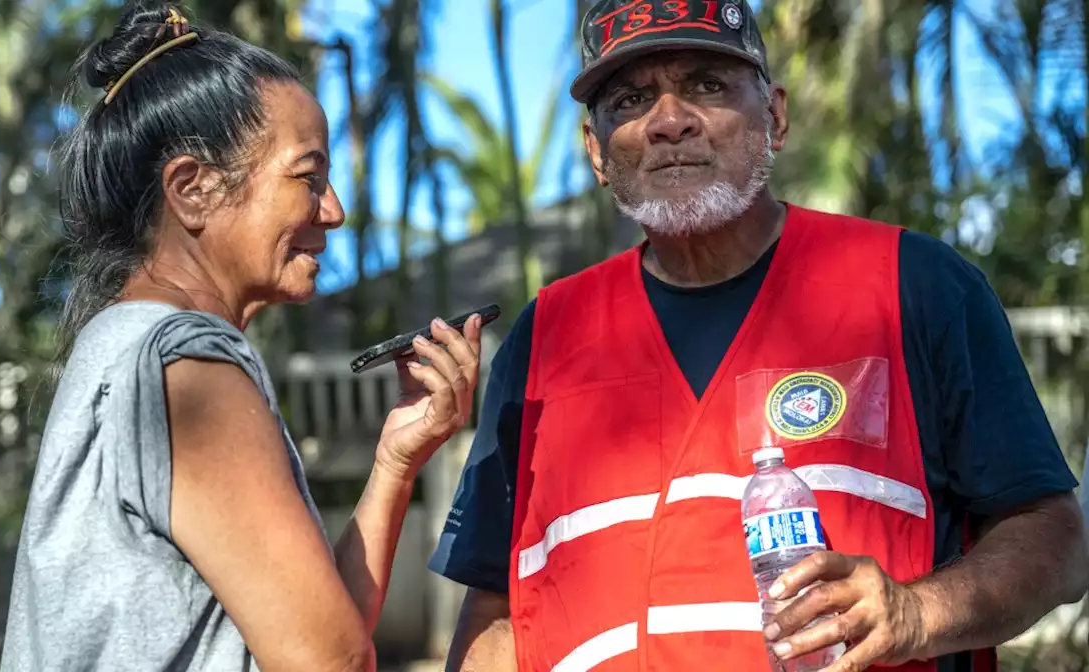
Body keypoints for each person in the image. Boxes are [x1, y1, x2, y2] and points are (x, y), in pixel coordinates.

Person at [429, 0, 1089, 670]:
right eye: (631, 99)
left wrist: (918, 613)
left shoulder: (914, 286)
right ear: (597, 151)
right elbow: (499, 611)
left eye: (707, 86)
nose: (669, 121)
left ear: (773, 115)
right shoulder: (545, 336)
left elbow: (1055, 538)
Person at [0, 5, 483, 671]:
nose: (334, 211)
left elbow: (318, 628)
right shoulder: (186, 363)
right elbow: (334, 663)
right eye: (308, 178)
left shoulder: (122, 347)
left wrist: (395, 463)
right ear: (193, 190)